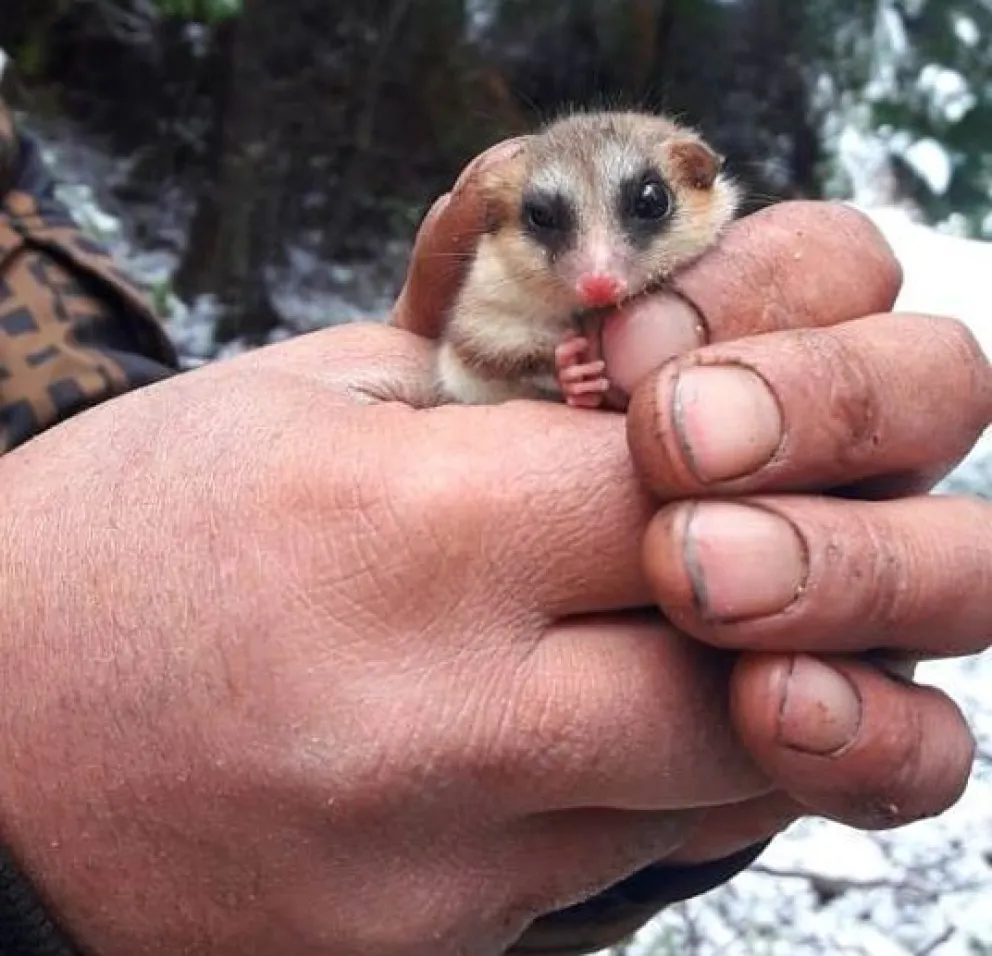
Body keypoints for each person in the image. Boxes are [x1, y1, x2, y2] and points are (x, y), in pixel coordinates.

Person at [0, 101, 988, 956]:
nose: (596, 271)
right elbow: (472, 361)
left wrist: (618, 844)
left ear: (699, 183)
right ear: (509, 221)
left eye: (644, 210)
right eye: (550, 224)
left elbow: (78, 396)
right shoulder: (507, 287)